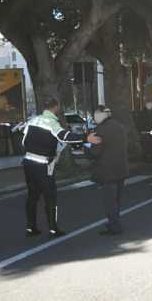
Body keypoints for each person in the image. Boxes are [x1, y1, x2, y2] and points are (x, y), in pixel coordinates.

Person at [22, 98, 101, 238]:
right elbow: (64, 136)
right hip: (43, 164)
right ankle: (53, 229)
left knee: (32, 196)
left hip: (28, 162)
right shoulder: (52, 123)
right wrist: (85, 138)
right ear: (56, 107)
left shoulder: (33, 120)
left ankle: (30, 227)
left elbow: (24, 141)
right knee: (50, 196)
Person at [88, 106, 129, 236]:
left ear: (101, 115)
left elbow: (95, 151)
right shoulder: (119, 126)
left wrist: (87, 147)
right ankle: (114, 222)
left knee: (109, 201)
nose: (94, 118)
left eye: (95, 115)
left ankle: (114, 226)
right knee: (116, 199)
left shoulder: (101, 130)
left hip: (107, 170)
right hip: (121, 167)